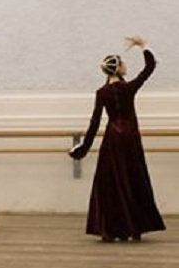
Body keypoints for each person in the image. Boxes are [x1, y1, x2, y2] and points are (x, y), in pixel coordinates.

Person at [69, 36, 166, 242]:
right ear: (118, 68)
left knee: (112, 183)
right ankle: (135, 227)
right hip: (130, 138)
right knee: (133, 179)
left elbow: (95, 122)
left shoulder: (102, 93)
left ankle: (112, 229)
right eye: (123, 63)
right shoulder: (128, 88)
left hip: (112, 139)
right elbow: (149, 68)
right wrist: (144, 46)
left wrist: (83, 148)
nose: (125, 66)